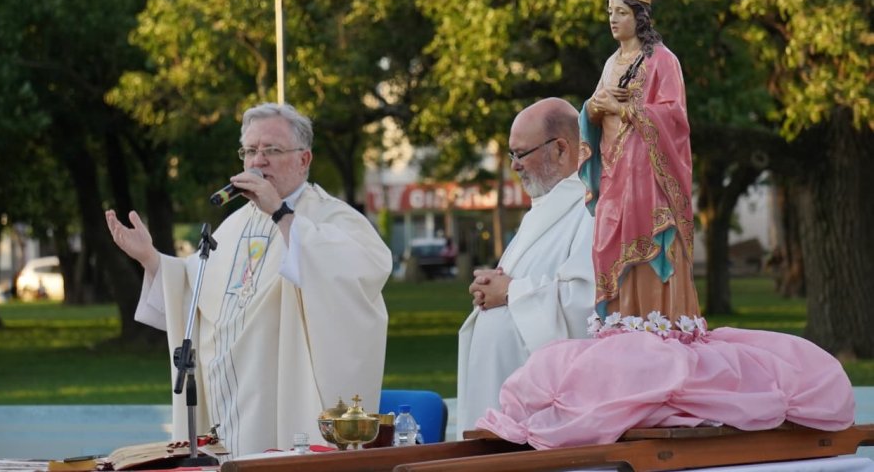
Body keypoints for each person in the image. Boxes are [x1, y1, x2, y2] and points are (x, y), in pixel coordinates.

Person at [474, 0, 854, 449]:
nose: (613, 20)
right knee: (615, 247)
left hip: (650, 180)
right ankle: (626, 326)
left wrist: (629, 109)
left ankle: (658, 328)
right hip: (615, 176)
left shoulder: (662, 61)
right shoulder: (611, 64)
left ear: (639, 16)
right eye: (609, 12)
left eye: (620, 12)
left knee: (653, 246)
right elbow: (590, 112)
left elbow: (673, 118)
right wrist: (597, 107)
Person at [105, 102, 392, 456]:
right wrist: (150, 258)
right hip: (227, 399)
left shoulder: (331, 217)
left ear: (304, 160)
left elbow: (364, 271)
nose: (259, 161)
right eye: (250, 151)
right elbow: (197, 291)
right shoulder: (236, 223)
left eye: (272, 150)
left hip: (280, 394)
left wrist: (281, 214)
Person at [456, 97, 596, 438]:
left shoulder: (592, 210)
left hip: (541, 408)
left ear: (561, 149)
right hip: (502, 384)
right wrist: (495, 285)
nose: (514, 166)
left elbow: (588, 304)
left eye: (521, 154)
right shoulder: (545, 210)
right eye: (511, 155)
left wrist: (510, 291)